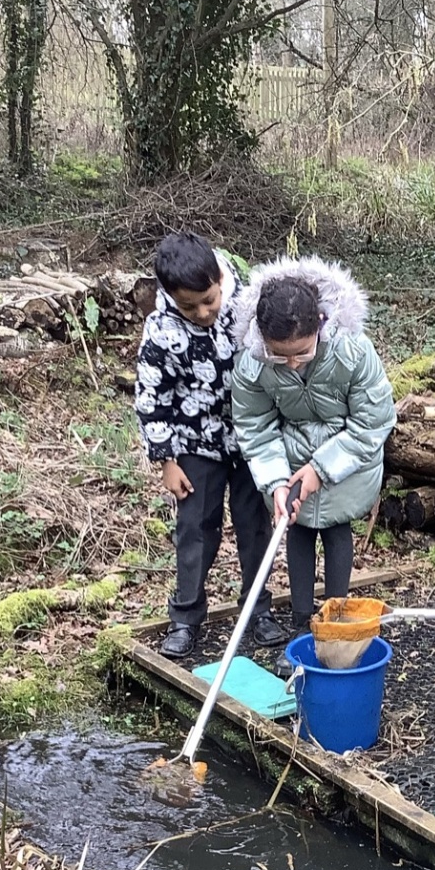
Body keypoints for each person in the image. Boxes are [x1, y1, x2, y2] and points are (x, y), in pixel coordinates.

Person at [134, 232, 287, 659]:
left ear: (220, 280)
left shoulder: (247, 308)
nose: (203, 313)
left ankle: (257, 609)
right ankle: (185, 617)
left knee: (255, 526)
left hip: (250, 438)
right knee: (196, 528)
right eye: (190, 307)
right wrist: (165, 459)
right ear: (170, 296)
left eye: (208, 300)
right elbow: (151, 397)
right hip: (194, 444)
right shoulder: (160, 330)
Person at [229, 256, 395, 630]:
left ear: (320, 324)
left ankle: (334, 618)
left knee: (337, 529)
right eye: (280, 355)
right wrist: (275, 481)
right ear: (260, 335)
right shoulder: (253, 362)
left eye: (302, 352)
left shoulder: (353, 350)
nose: (292, 364)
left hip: (347, 456)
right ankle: (302, 620)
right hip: (289, 457)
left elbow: (373, 421)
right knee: (298, 528)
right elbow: (254, 426)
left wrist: (322, 468)